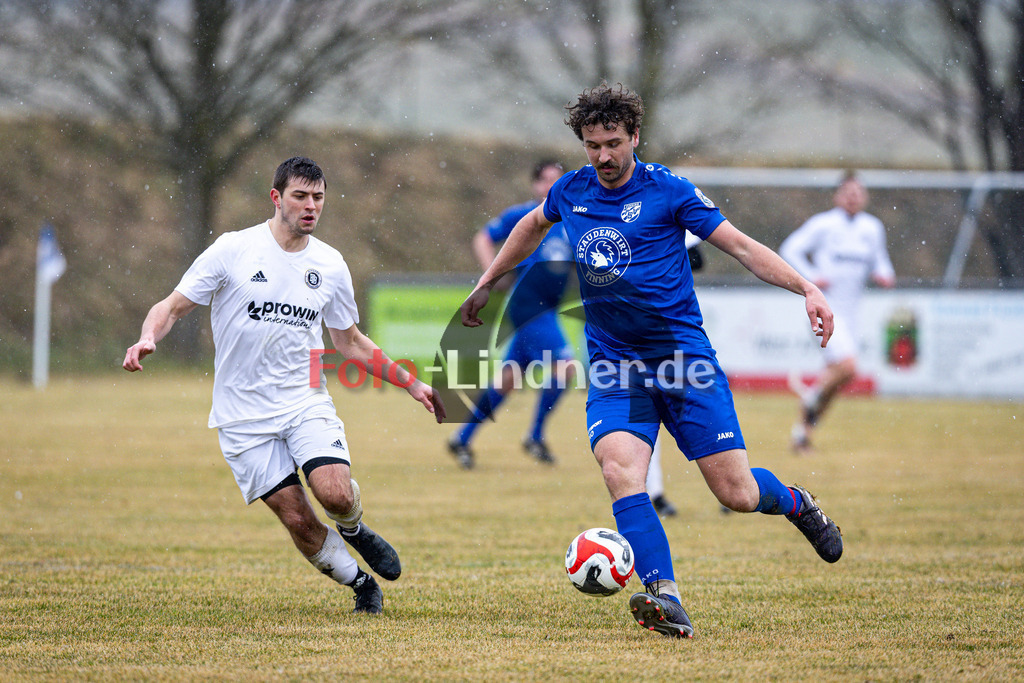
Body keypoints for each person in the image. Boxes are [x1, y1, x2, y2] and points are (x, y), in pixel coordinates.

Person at [459, 83, 844, 639]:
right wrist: (487, 282)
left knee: (736, 493)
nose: (604, 157)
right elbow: (529, 227)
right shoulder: (570, 191)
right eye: (592, 145)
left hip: (685, 364)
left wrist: (806, 287)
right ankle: (664, 595)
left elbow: (740, 247)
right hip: (616, 366)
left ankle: (795, 502)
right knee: (620, 471)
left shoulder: (669, 190)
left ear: (635, 136)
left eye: (613, 143)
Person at [122, 156, 445, 615]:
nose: (311, 206)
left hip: (304, 397)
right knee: (298, 518)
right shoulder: (233, 250)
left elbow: (350, 342)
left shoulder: (330, 265)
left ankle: (353, 527)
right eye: (300, 196)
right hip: (241, 414)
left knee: (334, 492)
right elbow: (171, 307)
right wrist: (146, 337)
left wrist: (411, 383)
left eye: (318, 197)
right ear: (276, 198)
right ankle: (361, 584)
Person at [446, 160, 577, 468]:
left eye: (556, 181)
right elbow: (482, 237)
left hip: (549, 309)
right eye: (544, 180)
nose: (549, 186)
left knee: (508, 378)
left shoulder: (572, 219)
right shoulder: (525, 215)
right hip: (528, 307)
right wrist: (492, 276)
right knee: (567, 367)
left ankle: (461, 439)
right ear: (534, 184)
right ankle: (534, 435)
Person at [780, 171, 895, 455]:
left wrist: (884, 275)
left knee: (839, 378)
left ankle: (801, 436)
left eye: (858, 192)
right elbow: (789, 249)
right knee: (847, 367)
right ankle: (811, 396)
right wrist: (811, 277)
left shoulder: (872, 228)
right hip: (825, 309)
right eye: (848, 192)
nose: (854, 197)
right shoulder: (824, 224)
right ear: (838, 196)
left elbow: (881, 262)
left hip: (852, 313)